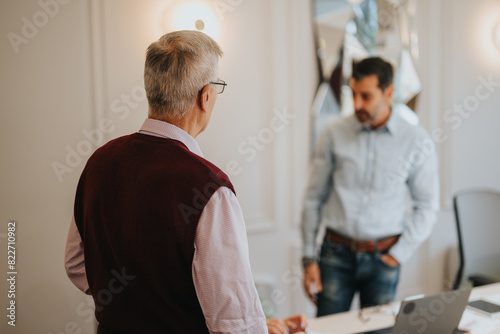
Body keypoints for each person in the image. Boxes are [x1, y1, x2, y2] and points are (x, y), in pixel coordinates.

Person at [64, 30, 308, 334]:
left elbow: (76, 265)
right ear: (205, 96)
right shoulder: (209, 188)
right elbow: (235, 325)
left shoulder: (99, 161)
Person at [301, 57, 439, 316]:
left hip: (384, 258)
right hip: (334, 255)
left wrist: (398, 254)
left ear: (389, 92)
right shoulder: (333, 133)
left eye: (366, 96)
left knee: (378, 332)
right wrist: (308, 258)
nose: (357, 104)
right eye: (353, 94)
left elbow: (428, 206)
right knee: (329, 332)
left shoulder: (416, 140)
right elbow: (313, 198)